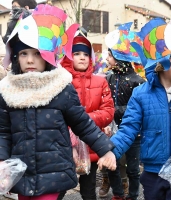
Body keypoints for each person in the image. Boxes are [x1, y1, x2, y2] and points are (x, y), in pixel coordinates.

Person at [0, 4, 116, 200]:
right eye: (23, 53)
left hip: (54, 172)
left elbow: (82, 124)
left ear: (47, 56)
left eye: (36, 53)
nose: (30, 60)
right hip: (22, 174)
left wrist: (105, 150)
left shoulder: (60, 88)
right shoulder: (8, 91)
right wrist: (2, 160)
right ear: (16, 57)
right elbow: (3, 131)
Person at [98, 18, 171, 200]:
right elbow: (128, 129)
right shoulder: (141, 94)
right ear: (159, 60)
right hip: (153, 173)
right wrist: (113, 151)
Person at [58, 32, 115, 200]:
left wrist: (81, 120)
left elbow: (108, 111)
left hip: (91, 143)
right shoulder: (61, 82)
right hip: (65, 145)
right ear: (69, 56)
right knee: (58, 189)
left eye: (85, 54)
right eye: (77, 53)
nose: (82, 58)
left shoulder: (100, 81)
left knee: (89, 190)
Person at [100, 23, 146, 200]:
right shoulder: (109, 78)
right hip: (111, 131)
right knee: (113, 165)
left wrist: (113, 111)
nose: (107, 59)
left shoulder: (137, 81)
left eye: (110, 56)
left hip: (134, 134)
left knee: (133, 169)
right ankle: (118, 194)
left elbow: (139, 109)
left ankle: (133, 195)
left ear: (119, 57)